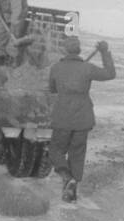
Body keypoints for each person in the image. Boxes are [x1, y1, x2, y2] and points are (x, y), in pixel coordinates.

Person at [47, 37, 116, 202]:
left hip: (63, 116)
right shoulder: (87, 68)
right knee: (77, 154)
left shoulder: (56, 68)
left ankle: (65, 175)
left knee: (55, 150)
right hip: (82, 117)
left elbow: (52, 88)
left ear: (65, 50)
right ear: (78, 50)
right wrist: (105, 52)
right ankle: (71, 192)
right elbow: (110, 74)